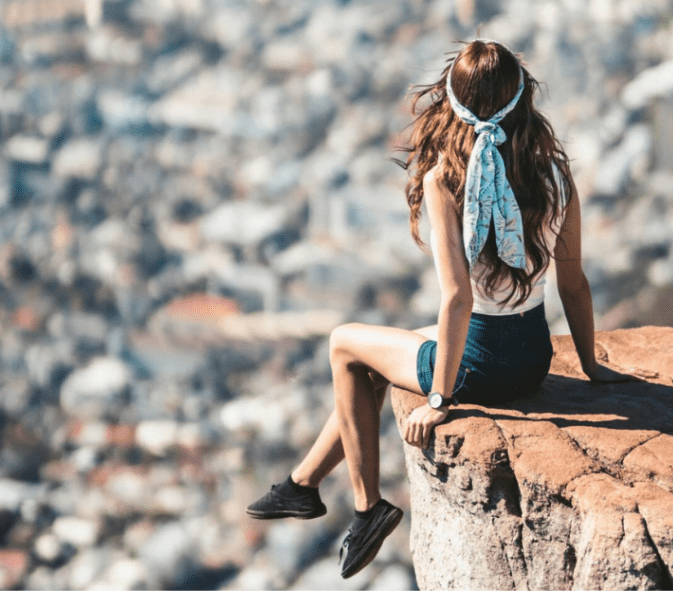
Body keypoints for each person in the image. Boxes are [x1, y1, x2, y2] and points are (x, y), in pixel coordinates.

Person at [247, 40, 632, 579]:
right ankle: (302, 484)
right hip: (531, 356)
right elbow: (575, 283)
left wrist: (439, 398)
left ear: (453, 103)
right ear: (523, 99)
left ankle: (366, 507)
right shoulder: (554, 176)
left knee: (344, 344)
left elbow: (457, 297)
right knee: (386, 354)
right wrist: (590, 366)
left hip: (480, 368)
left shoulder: (446, 180)